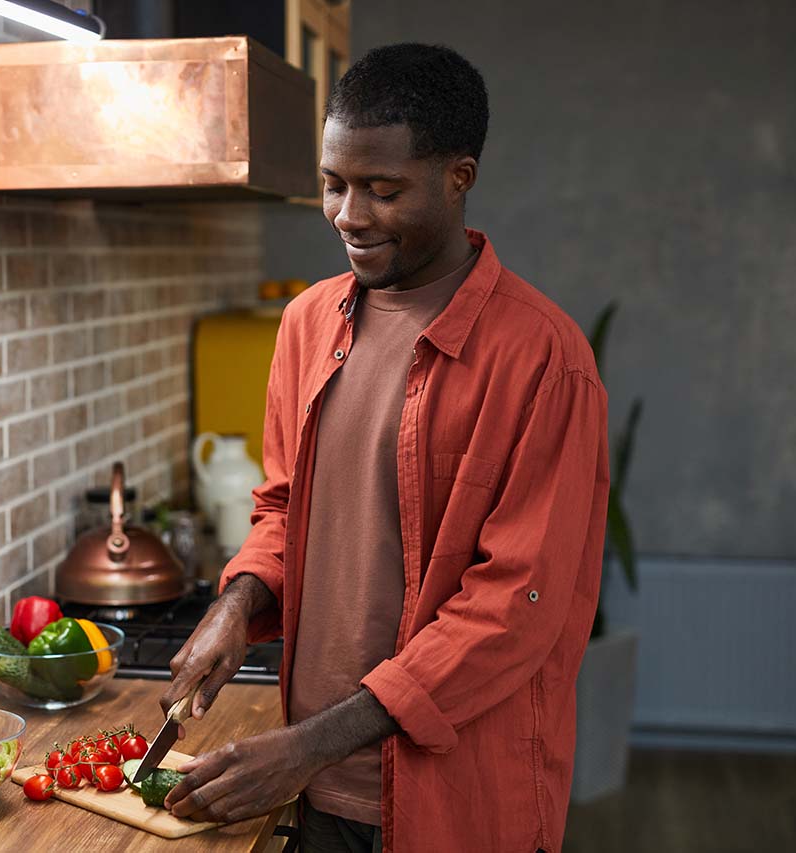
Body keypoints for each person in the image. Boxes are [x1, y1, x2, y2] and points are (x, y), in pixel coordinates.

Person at [159, 43, 610, 852]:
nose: (348, 214)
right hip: (309, 793)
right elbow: (286, 506)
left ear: (458, 178)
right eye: (334, 184)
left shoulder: (545, 360)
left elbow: (512, 610)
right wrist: (238, 602)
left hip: (459, 802)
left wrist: (306, 745)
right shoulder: (307, 323)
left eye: (383, 189)